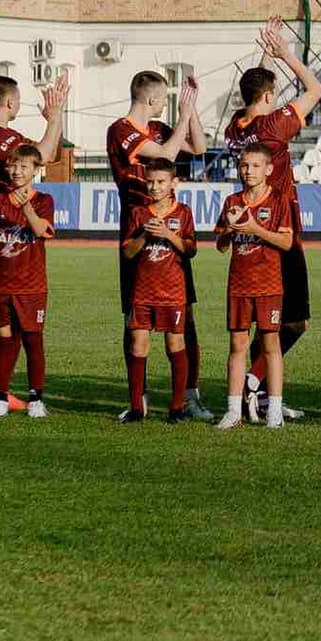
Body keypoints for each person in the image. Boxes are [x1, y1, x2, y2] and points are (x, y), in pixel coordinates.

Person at [225, 18, 321, 420]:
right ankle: (254, 382)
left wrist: (265, 56)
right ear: (268, 95)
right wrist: (286, 54)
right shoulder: (273, 125)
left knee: (260, 324)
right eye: (275, 91)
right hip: (279, 227)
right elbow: (315, 89)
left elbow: (255, 91)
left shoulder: (237, 127)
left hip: (252, 233)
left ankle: (259, 392)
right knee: (294, 322)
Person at [107, 70, 210, 422]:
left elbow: (198, 147)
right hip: (138, 228)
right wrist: (181, 117)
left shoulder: (160, 128)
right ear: (151, 100)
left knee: (186, 316)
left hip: (171, 227)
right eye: (163, 99)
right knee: (134, 321)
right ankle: (139, 398)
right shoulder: (121, 130)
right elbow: (166, 154)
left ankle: (189, 397)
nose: (165, 105)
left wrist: (191, 109)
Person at [0, 70, 68, 416]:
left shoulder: (6, 137)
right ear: (9, 102)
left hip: (11, 238)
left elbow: (45, 155)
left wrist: (56, 118)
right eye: (18, 100)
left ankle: (0, 392)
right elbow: (43, 151)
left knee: (15, 326)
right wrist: (53, 118)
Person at [0, 144, 56, 419]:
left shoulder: (43, 200)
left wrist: (26, 206)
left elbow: (42, 230)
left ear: (35, 170)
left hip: (32, 287)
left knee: (33, 339)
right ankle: (1, 398)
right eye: (13, 165)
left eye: (24, 166)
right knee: (4, 338)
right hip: (2, 285)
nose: (17, 171)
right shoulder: (0, 200)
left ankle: (36, 398)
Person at [215, 143, 296, 429]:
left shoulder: (279, 201)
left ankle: (274, 408)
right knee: (237, 345)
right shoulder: (233, 202)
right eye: (245, 165)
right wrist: (229, 230)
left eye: (255, 166)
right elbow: (221, 247)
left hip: (268, 284)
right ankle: (233, 410)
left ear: (269, 169)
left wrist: (254, 229)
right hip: (238, 285)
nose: (248, 171)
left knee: (269, 345)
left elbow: (286, 242)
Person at [120, 156, 196, 424]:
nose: (154, 187)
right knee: (138, 346)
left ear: (174, 182)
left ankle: (177, 408)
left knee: (175, 344)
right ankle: (137, 408)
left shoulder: (183, 212)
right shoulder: (138, 213)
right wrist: (145, 236)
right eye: (150, 182)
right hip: (142, 292)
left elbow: (191, 249)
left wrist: (167, 234)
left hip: (173, 292)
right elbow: (128, 252)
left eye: (161, 182)